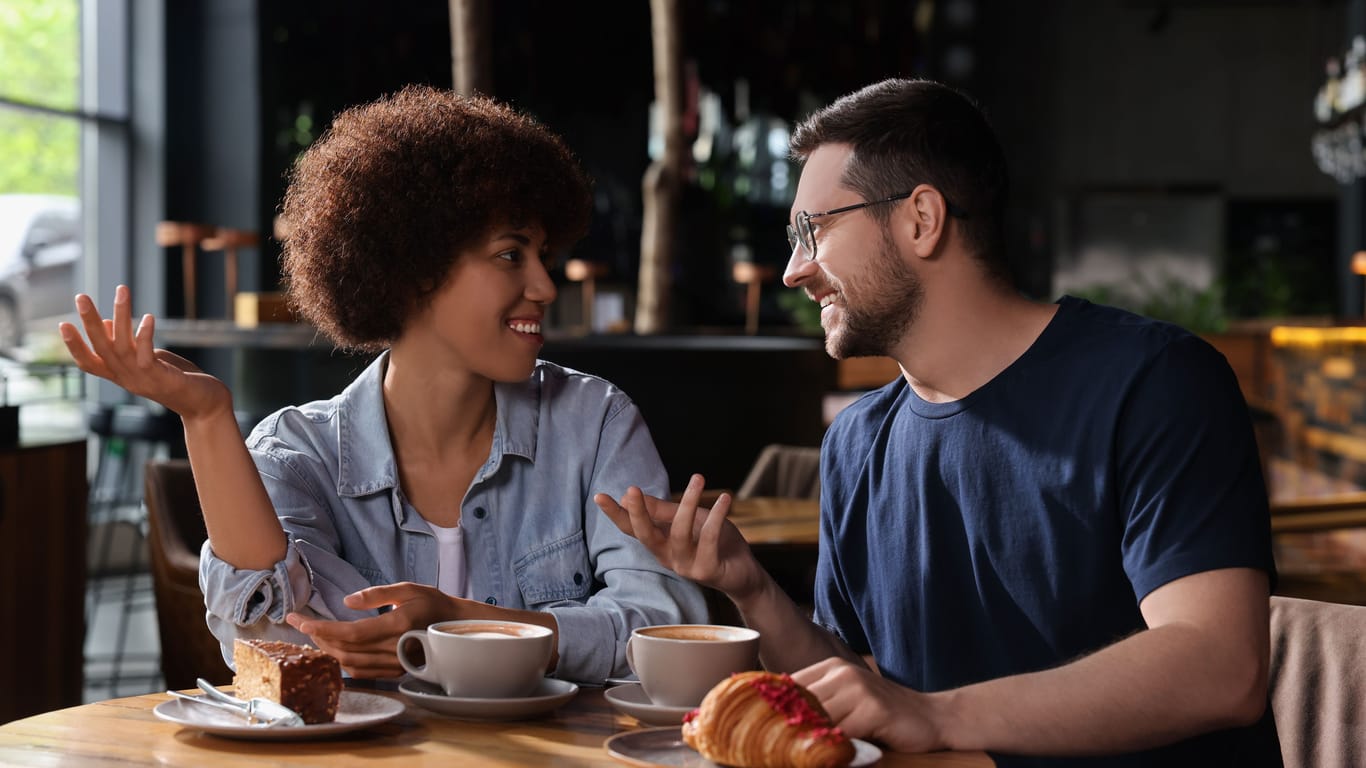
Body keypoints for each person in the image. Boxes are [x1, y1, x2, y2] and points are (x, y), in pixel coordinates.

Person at [595, 78, 1280, 766]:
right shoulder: (857, 442)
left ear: (921, 218)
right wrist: (750, 587)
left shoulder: (1155, 383)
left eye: (813, 230)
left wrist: (936, 715)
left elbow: (1222, 667)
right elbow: (862, 689)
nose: (793, 271)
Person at [61, 85, 707, 685]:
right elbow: (270, 630)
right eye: (512, 255)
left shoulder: (594, 424)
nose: (544, 286)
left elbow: (665, 629)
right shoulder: (299, 451)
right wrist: (206, 419)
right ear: (413, 272)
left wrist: (464, 625)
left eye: (544, 255)